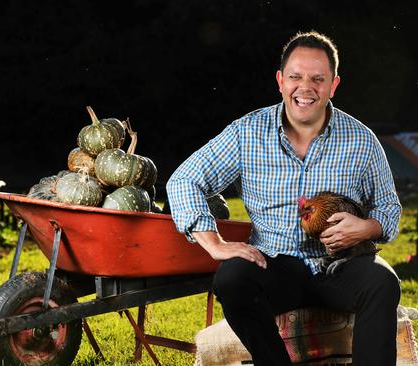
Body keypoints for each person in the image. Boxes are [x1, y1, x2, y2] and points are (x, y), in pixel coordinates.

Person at [167, 31, 402, 366]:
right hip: (274, 265)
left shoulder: (361, 140)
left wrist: (367, 227)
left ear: (333, 84)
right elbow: (184, 180)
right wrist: (214, 242)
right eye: (295, 77)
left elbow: (389, 207)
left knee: (383, 283)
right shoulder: (246, 133)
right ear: (280, 80)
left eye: (317, 79)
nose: (305, 88)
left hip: (341, 266)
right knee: (231, 278)